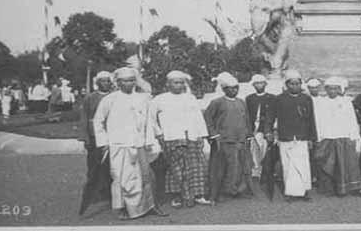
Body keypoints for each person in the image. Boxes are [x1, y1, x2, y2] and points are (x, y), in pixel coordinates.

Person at [93, 67, 166, 220]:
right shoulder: (110, 99)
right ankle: (123, 208)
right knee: (121, 178)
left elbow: (149, 120)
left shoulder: (142, 98)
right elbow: (98, 121)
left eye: (132, 80)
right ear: (118, 82)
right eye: (125, 81)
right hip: (118, 144)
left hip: (139, 143)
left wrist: (155, 137)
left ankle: (150, 206)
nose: (129, 83)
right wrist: (103, 142)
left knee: (145, 176)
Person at [151, 71, 211, 208]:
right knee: (176, 168)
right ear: (168, 84)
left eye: (181, 82)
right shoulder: (160, 99)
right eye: (176, 82)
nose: (179, 85)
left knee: (196, 166)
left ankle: (198, 195)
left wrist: (201, 135)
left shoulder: (190, 98)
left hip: (192, 137)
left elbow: (198, 118)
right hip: (172, 137)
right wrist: (159, 134)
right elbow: (151, 120)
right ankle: (177, 196)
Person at [313, 76, 361, 197]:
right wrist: (319, 136)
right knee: (327, 162)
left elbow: (351, 119)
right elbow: (317, 120)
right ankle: (329, 188)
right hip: (327, 136)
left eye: (335, 89)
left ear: (339, 89)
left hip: (344, 136)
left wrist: (353, 135)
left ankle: (348, 188)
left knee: (347, 163)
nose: (332, 91)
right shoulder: (321, 102)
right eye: (330, 89)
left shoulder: (346, 102)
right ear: (326, 89)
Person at [266, 69, 318, 201]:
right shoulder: (279, 99)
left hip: (302, 137)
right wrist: (269, 132)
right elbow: (270, 117)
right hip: (286, 137)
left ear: (301, 84)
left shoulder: (306, 99)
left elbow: (311, 119)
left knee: (303, 165)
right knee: (288, 165)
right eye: (292, 84)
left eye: (297, 84)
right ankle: (290, 193)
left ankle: (303, 192)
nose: (295, 86)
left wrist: (312, 138)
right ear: (287, 85)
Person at [204, 72, 253, 204]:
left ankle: (234, 190)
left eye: (236, 88)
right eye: (230, 88)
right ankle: (215, 194)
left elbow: (246, 120)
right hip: (223, 141)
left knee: (238, 167)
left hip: (239, 140)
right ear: (224, 89)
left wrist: (248, 135)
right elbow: (208, 119)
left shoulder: (241, 102)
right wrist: (214, 135)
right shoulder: (217, 102)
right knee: (219, 168)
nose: (234, 90)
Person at [78, 71, 114, 215]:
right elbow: (84, 118)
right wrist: (85, 137)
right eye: (102, 81)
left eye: (108, 81)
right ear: (97, 83)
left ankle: (110, 193)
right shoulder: (90, 98)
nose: (106, 83)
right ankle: (95, 194)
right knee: (94, 166)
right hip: (94, 137)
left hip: (111, 134)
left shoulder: (115, 97)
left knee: (111, 165)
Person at [245, 74, 276, 179]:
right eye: (256, 83)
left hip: (265, 128)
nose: (259, 85)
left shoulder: (271, 98)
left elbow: (274, 115)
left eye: (261, 83)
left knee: (264, 148)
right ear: (253, 85)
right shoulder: (249, 98)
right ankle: (256, 169)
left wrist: (271, 129)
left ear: (265, 84)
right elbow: (247, 114)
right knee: (253, 148)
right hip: (253, 128)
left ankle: (263, 169)